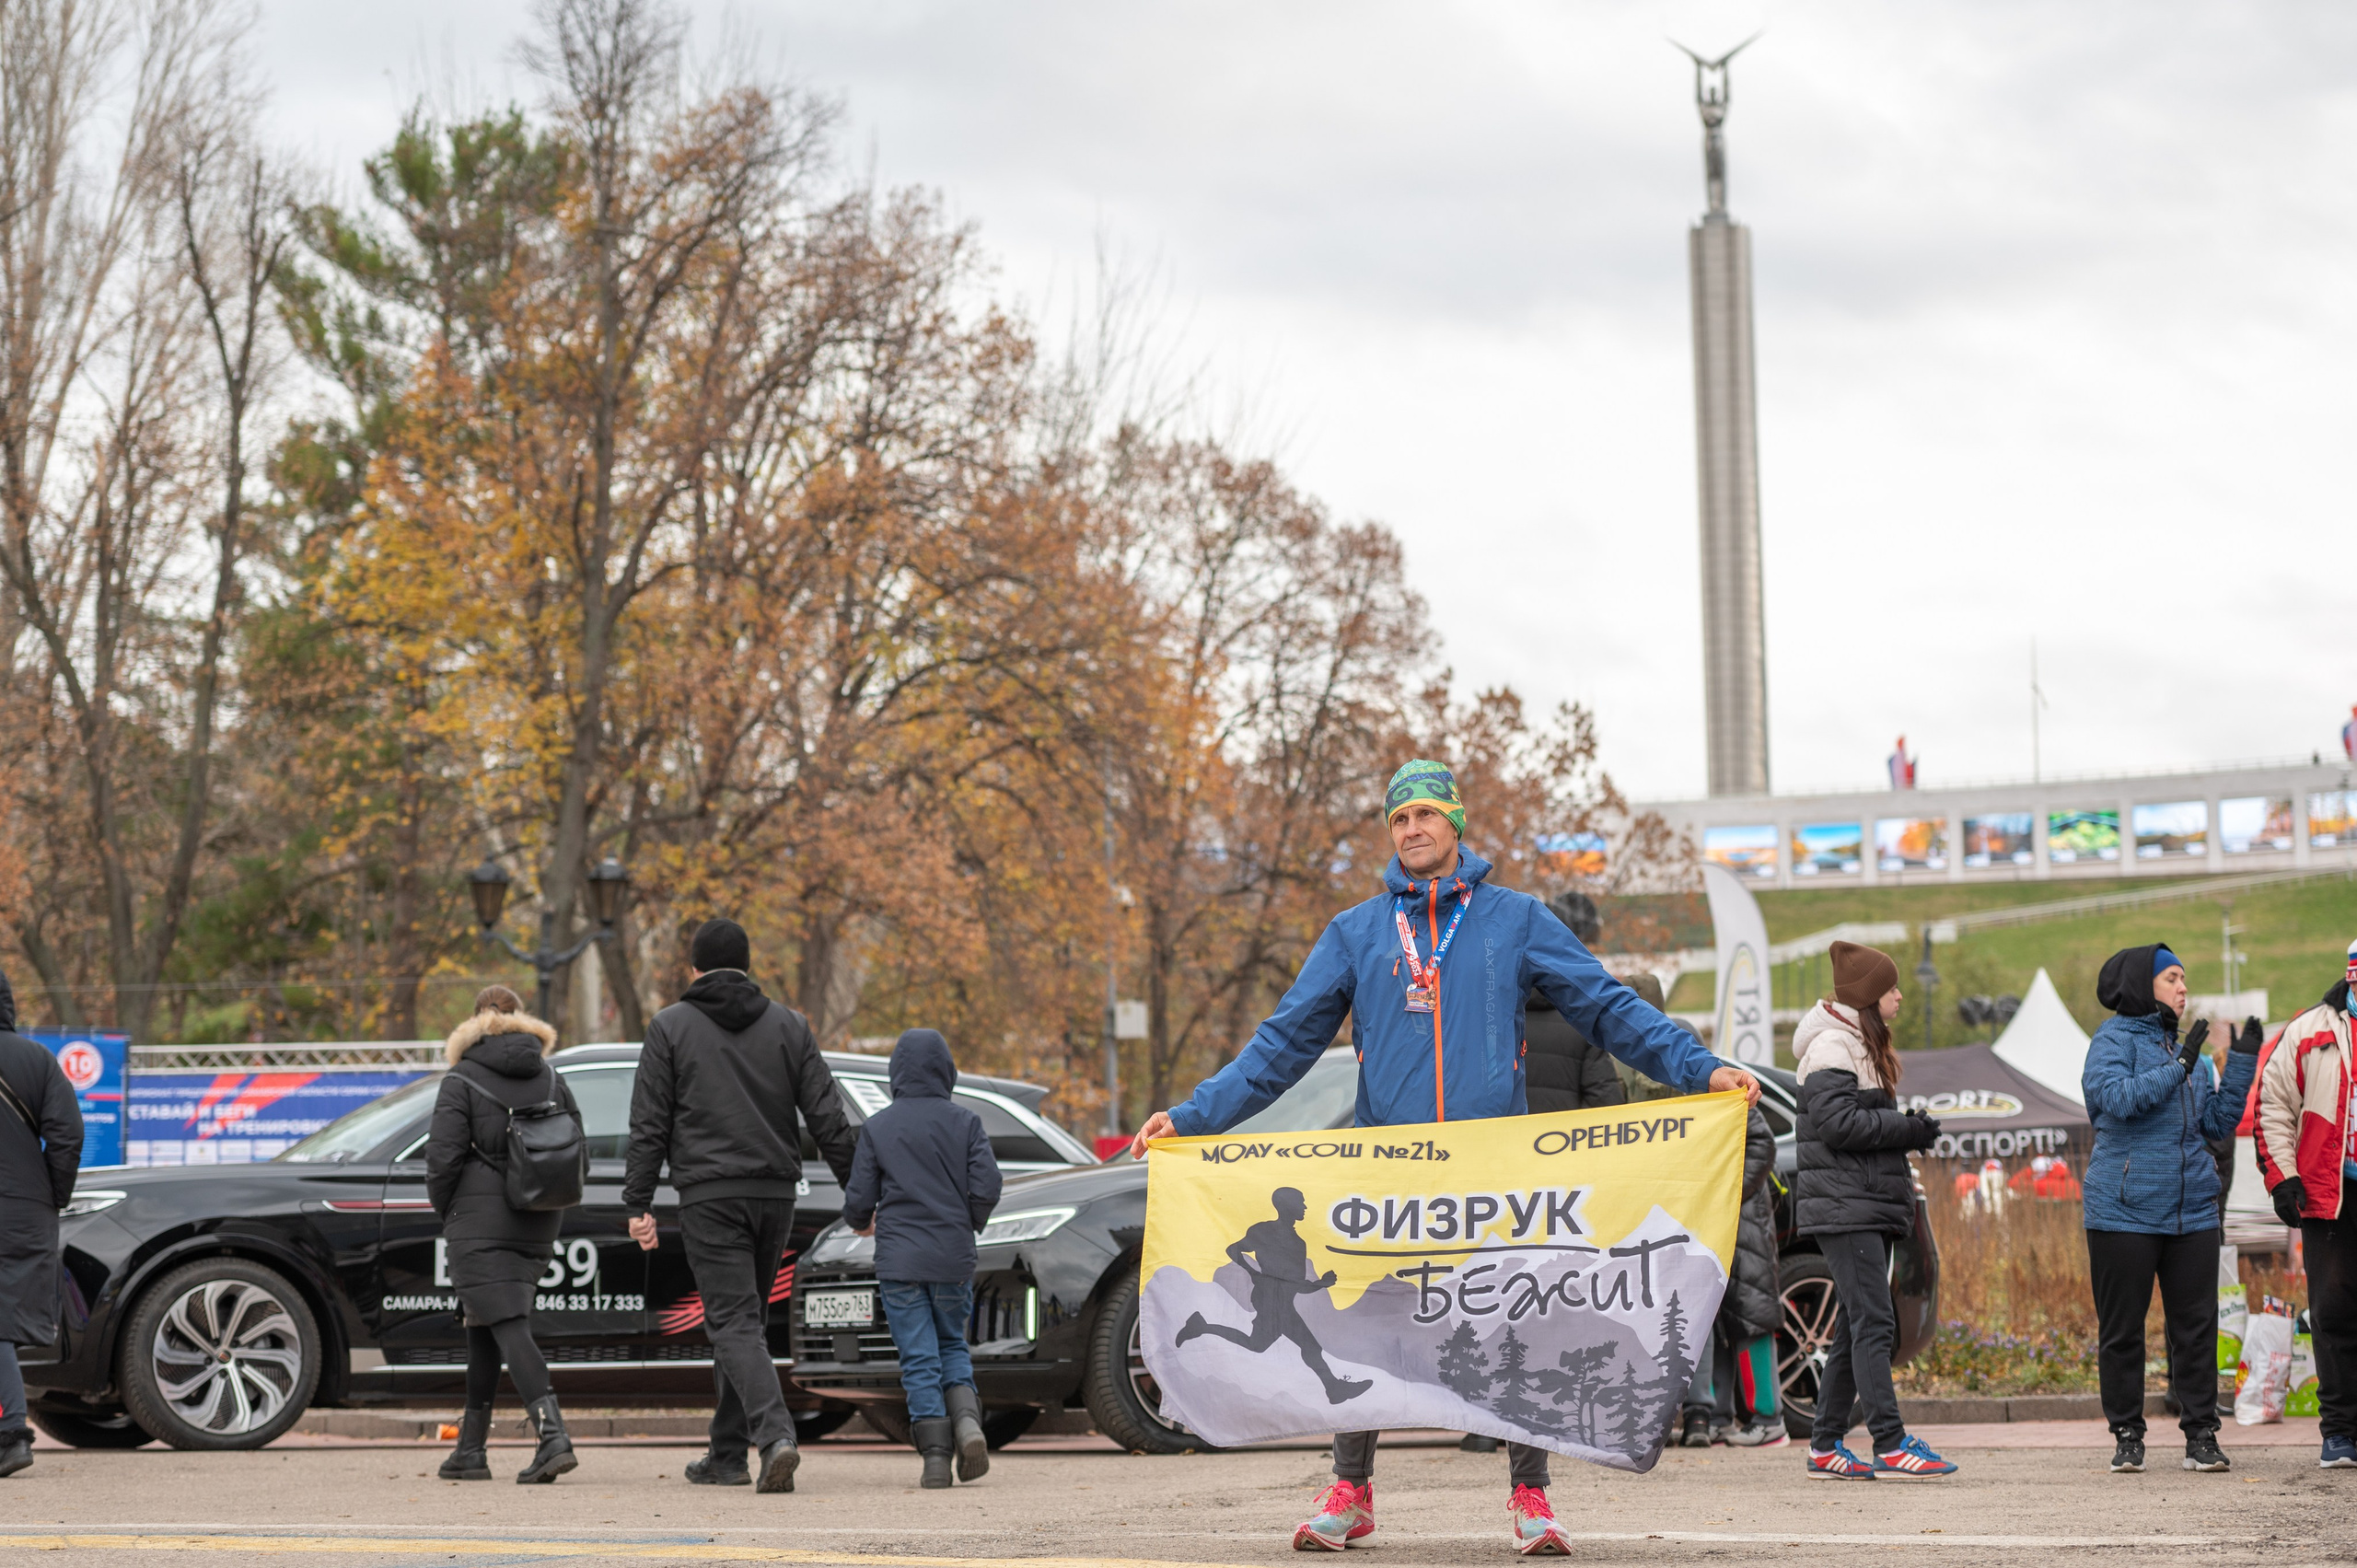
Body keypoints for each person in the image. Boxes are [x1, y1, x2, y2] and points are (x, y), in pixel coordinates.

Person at [1127, 758, 1756, 1558]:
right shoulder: (1355, 931)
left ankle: (1531, 1495)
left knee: (1511, 1321)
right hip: (1390, 1175)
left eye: (1426, 813)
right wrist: (1191, 1117)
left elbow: (1608, 1007)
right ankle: (1351, 1492)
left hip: (1490, 1174)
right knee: (1372, 1322)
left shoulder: (1514, 919)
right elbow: (1280, 1045)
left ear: (1456, 822)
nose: (1413, 829)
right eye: (1399, 819)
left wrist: (1701, 1069)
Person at [625, 919, 858, 1493]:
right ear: (748, 966)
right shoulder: (790, 1026)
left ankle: (775, 1436)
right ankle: (726, 1454)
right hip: (776, 1196)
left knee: (732, 1322)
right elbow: (827, 1115)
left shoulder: (670, 1027)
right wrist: (860, 1190)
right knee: (744, 1323)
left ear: (694, 968)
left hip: (710, 1195)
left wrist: (638, 1200)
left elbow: (649, 1122)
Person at [2081, 943, 2260, 1477]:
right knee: (2123, 1330)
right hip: (2122, 1211)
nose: (2183, 989)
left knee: (2196, 1328)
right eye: (2172, 979)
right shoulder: (2110, 1041)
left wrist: (2243, 1061)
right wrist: (2181, 1066)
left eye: (2185, 979)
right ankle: (2128, 1435)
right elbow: (2118, 1100)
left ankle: (2201, 1434)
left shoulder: (2190, 1053)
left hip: (2192, 1212)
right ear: (2143, 985)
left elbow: (2215, 1126)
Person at [1791, 940, 1953, 1481]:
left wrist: (1901, 1128)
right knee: (1875, 1322)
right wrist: (1907, 1127)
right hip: (1846, 1206)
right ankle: (1889, 1442)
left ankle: (1824, 1446)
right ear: (1869, 998)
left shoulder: (1856, 1043)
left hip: (1858, 1202)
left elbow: (1854, 1123)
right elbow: (1839, 1126)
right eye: (1891, 989)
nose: (1900, 996)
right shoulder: (1834, 1046)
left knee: (1857, 1326)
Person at [425, 986, 583, 1484]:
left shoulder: (462, 1078)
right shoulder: (553, 1076)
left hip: (478, 1221)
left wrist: (447, 1210)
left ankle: (553, 1435)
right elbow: (577, 1147)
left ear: (475, 1021)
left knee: (508, 1323)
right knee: (485, 1325)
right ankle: (470, 1450)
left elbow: (443, 1159)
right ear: (519, 1019)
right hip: (539, 1216)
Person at [841, 1028, 1003, 1489]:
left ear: (896, 1073)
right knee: (952, 1344)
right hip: (952, 1256)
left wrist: (860, 1220)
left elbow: (859, 1197)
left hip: (900, 1263)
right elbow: (988, 1185)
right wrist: (968, 1220)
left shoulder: (878, 1126)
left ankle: (935, 1457)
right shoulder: (966, 1122)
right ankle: (968, 1423)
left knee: (918, 1356)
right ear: (946, 1071)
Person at [2254, 936, 2357, 1469]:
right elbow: (2272, 1106)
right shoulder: (2307, 1031)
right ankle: (2340, 1431)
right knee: (2334, 1311)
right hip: (2331, 1193)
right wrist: (2283, 1179)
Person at [0, 968, 81, 1480]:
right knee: (3, 1324)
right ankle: (9, 1431)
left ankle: (11, 1432)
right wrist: (53, 1194)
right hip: (24, 1209)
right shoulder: (36, 1059)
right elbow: (67, 1135)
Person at [1677, 1100, 1780, 1447]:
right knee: (1715, 1319)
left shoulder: (1727, 1086)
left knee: (1752, 1315)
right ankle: (1721, 1417)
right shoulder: (1682, 1091)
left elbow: (1762, 1145)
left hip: (1744, 1217)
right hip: (1711, 1217)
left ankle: (1769, 1418)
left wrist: (1727, 1192)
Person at [1520, 894, 1629, 1117]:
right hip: (1561, 1146)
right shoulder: (1583, 1024)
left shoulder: (1490, 1019)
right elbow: (1608, 1110)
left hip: (1502, 1146)